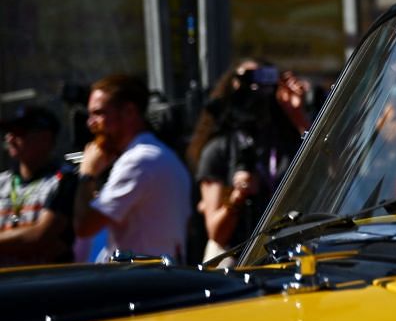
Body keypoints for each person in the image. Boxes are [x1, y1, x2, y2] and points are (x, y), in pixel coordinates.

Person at [187, 61, 311, 261]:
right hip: (238, 260)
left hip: (287, 254)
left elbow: (335, 170)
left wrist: (298, 115)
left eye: (265, 83)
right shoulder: (219, 149)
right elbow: (217, 235)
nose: (257, 94)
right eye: (249, 83)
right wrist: (238, 196)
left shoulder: (288, 141)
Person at [71, 75, 191, 262]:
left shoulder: (138, 161)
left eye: (99, 113)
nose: (91, 123)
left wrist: (87, 173)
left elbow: (84, 226)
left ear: (129, 111)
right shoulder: (160, 154)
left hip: (140, 283)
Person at [0, 105, 77, 267]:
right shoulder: (2, 182)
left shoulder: (64, 179)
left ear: (45, 138)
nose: (10, 138)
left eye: (19, 132)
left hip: (46, 285)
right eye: (9, 132)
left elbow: (41, 236)